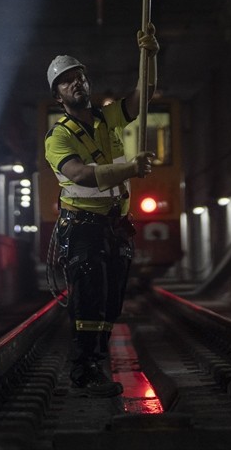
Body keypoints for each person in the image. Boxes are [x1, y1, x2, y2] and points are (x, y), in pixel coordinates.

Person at [44, 25, 159, 397]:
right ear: (58, 95)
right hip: (82, 227)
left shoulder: (108, 118)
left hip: (114, 225)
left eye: (79, 77)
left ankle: (97, 363)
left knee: (111, 300)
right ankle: (83, 369)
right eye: (66, 82)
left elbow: (144, 97)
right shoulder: (58, 137)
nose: (75, 84)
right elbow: (81, 174)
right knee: (88, 298)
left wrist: (150, 55)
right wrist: (130, 168)